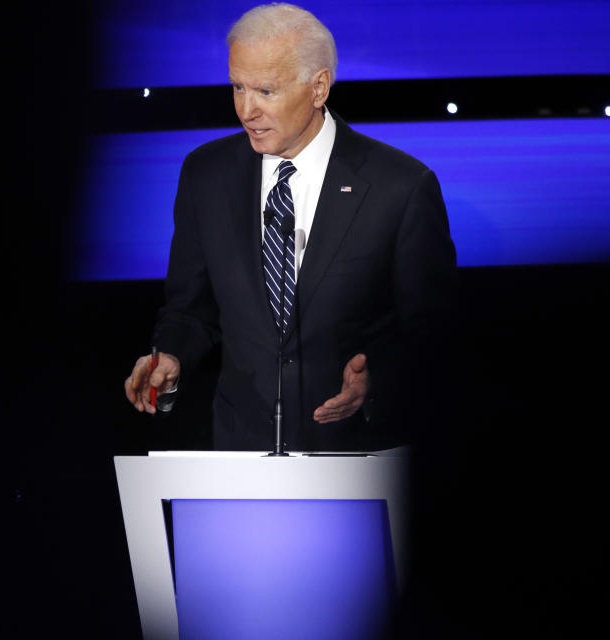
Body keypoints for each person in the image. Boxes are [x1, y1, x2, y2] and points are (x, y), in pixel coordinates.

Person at [124, 3, 459, 451]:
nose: (246, 110)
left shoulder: (400, 186)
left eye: (265, 90)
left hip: (354, 452)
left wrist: (374, 380)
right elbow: (190, 308)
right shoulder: (205, 174)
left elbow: (434, 332)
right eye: (237, 87)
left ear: (318, 87)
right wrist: (170, 354)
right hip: (241, 449)